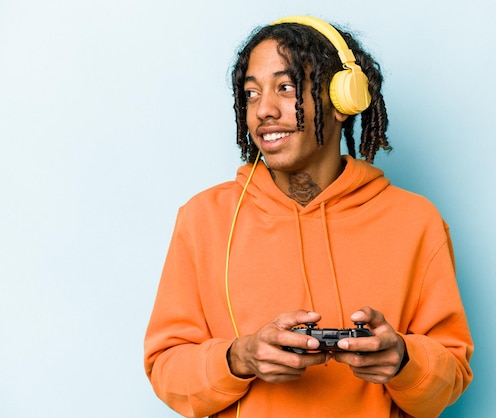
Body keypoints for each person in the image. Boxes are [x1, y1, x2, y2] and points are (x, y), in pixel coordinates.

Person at [144, 15, 473, 418]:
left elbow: (450, 375)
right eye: (250, 94)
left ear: (342, 102)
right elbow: (166, 370)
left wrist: (404, 361)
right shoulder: (203, 219)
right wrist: (238, 358)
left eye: (286, 88)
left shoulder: (416, 221)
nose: (263, 110)